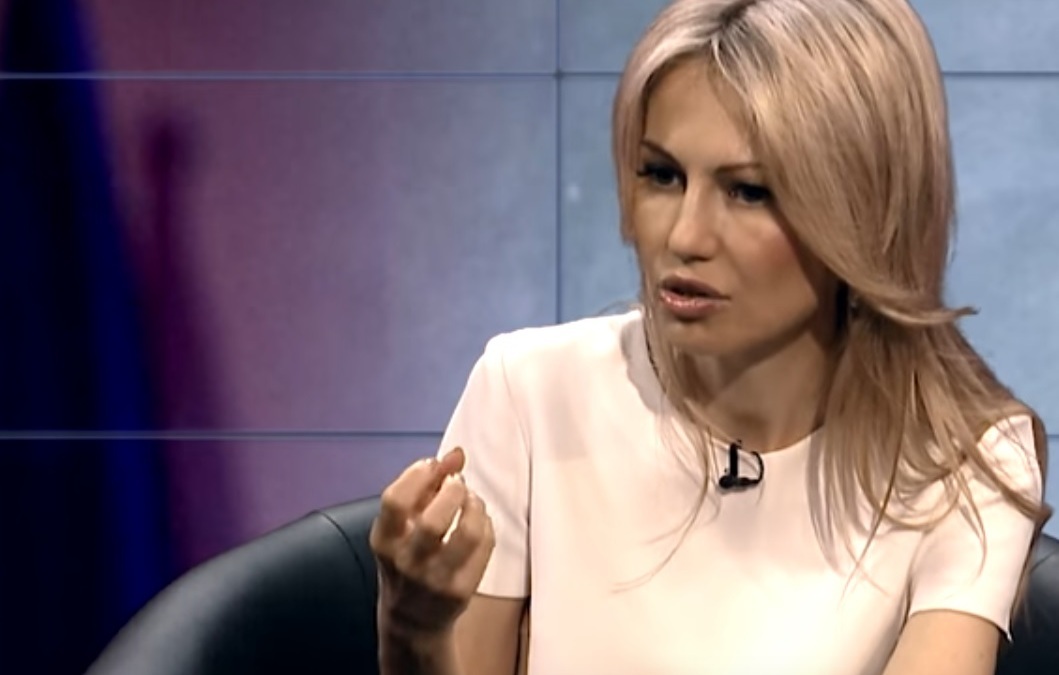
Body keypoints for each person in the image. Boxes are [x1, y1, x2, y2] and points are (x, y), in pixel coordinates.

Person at [369, 0, 1051, 673]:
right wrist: (412, 631)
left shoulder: (964, 460)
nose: (685, 235)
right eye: (662, 176)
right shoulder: (530, 394)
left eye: (748, 191)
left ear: (864, 210)